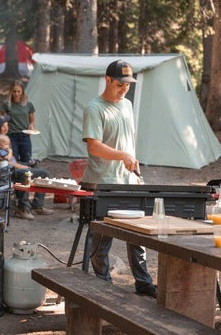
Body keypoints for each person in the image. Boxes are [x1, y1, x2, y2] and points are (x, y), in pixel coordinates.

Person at [81, 60, 157, 298]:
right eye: (121, 83)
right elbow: (94, 147)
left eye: (128, 84)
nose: (125, 88)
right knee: (102, 237)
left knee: (138, 234)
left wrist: (132, 167)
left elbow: (127, 143)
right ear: (108, 80)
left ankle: (143, 282)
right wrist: (122, 155)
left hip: (128, 182)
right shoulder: (94, 108)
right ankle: (104, 284)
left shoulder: (127, 105)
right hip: (102, 182)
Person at [0, 115, 53, 220]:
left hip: (13, 167)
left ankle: (37, 206)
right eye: (5, 124)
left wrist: (22, 165)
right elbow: (0, 162)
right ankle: (22, 208)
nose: (7, 125)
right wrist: (20, 166)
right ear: (1, 127)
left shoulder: (5, 139)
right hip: (2, 173)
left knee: (44, 174)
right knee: (25, 173)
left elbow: (11, 159)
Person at [0, 80, 36, 165]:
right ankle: (13, 178)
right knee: (13, 161)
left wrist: (31, 126)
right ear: (11, 92)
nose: (16, 94)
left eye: (19, 91)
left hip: (25, 136)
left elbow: (32, 121)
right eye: (14, 91)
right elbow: (3, 122)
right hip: (11, 136)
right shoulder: (6, 104)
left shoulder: (28, 104)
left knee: (27, 161)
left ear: (22, 92)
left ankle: (25, 178)